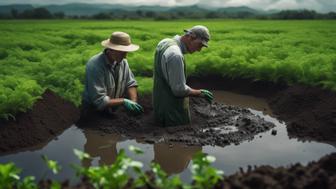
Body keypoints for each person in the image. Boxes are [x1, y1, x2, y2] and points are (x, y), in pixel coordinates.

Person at [153, 25, 214, 127]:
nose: (199, 50)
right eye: (200, 45)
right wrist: (199, 93)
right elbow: (179, 90)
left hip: (160, 103)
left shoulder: (165, 42)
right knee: (175, 139)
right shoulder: (176, 55)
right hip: (171, 111)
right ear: (191, 37)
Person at [82, 31, 143, 116]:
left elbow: (130, 83)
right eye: (122, 52)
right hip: (93, 113)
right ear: (112, 49)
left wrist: (133, 102)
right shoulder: (95, 66)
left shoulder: (123, 62)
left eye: (126, 52)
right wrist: (123, 101)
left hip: (111, 110)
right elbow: (99, 101)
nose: (125, 56)